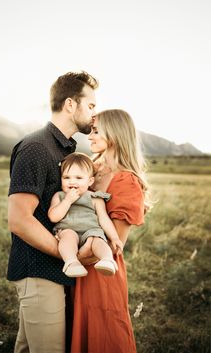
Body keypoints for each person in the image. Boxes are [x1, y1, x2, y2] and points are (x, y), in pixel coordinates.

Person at [7, 71, 98, 353]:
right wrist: (68, 253)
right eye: (91, 105)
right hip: (38, 271)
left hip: (55, 271)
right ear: (70, 105)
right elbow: (19, 220)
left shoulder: (65, 151)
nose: (95, 113)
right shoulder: (37, 148)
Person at [71, 109, 149, 353]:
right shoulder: (92, 168)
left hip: (101, 273)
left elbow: (116, 242)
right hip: (76, 265)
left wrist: (68, 256)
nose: (90, 137)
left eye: (96, 131)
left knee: (103, 337)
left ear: (113, 135)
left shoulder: (126, 180)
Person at [48, 152, 123, 278]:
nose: (72, 182)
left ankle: (107, 259)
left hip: (91, 230)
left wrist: (114, 237)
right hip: (68, 229)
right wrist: (67, 201)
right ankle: (72, 263)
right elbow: (53, 217)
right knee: (68, 237)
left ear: (90, 181)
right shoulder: (60, 196)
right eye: (66, 177)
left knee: (98, 240)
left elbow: (104, 219)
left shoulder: (95, 198)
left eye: (78, 178)